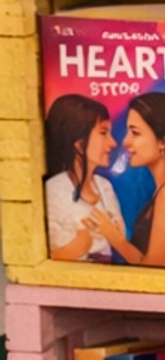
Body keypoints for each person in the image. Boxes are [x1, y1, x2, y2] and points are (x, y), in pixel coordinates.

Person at [87, 92, 165, 269]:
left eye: (135, 132)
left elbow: (154, 268)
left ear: (163, 141)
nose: (125, 142)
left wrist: (115, 238)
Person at [43, 93, 124, 261]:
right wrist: (81, 243)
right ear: (79, 144)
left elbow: (119, 238)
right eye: (103, 133)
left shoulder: (104, 186)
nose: (113, 143)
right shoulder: (54, 190)